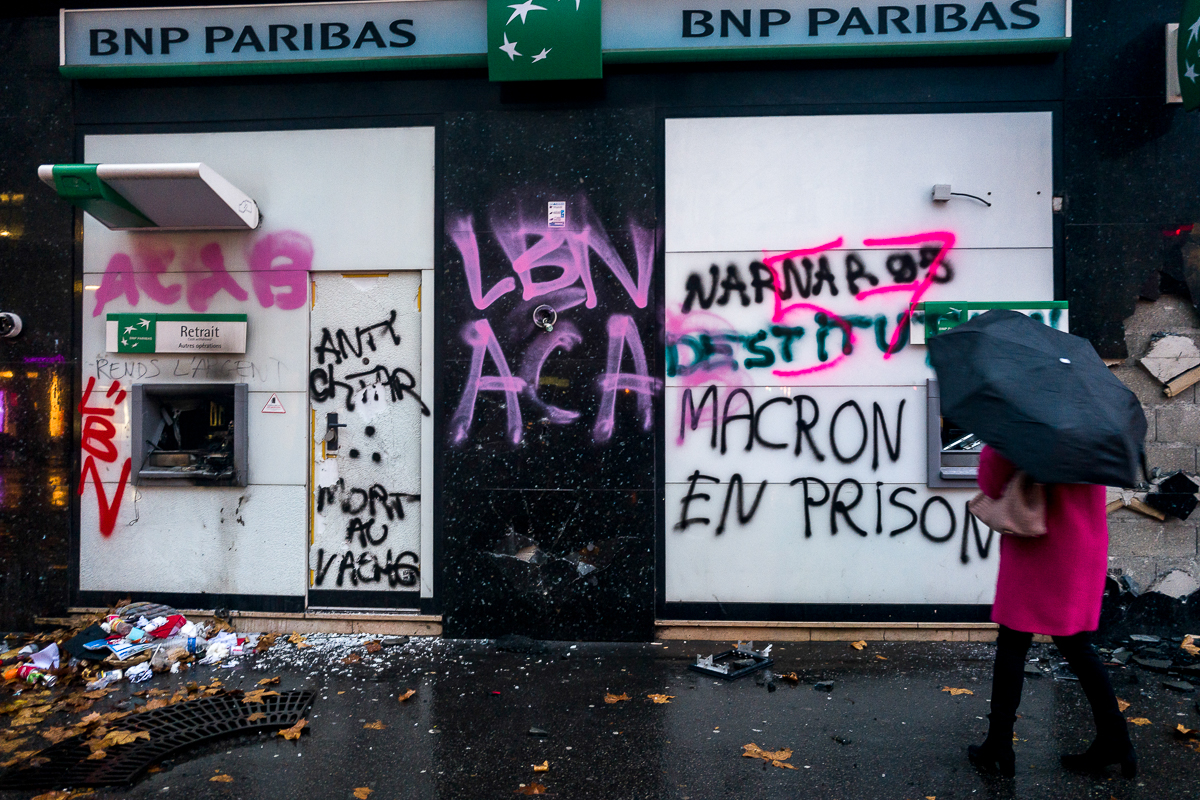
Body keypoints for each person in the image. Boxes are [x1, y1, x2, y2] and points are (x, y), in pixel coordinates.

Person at [967, 445, 1136, 779]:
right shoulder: (1092, 420)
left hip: (1038, 543)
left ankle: (999, 745)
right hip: (1082, 540)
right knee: (1077, 645)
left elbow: (992, 477)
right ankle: (1115, 739)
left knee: (1013, 643)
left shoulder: (1031, 416)